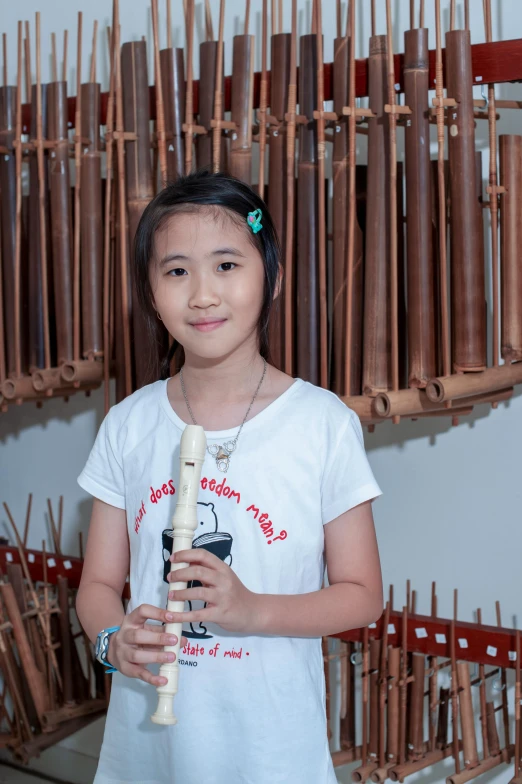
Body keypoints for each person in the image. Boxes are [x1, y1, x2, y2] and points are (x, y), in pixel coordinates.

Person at [76, 169, 384, 784]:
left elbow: (363, 596)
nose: (202, 296)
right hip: (147, 754)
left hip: (270, 754)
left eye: (225, 265)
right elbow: (98, 586)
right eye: (176, 270)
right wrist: (114, 641)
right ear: (151, 292)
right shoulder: (127, 424)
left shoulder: (321, 424)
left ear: (270, 277)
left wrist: (249, 610)